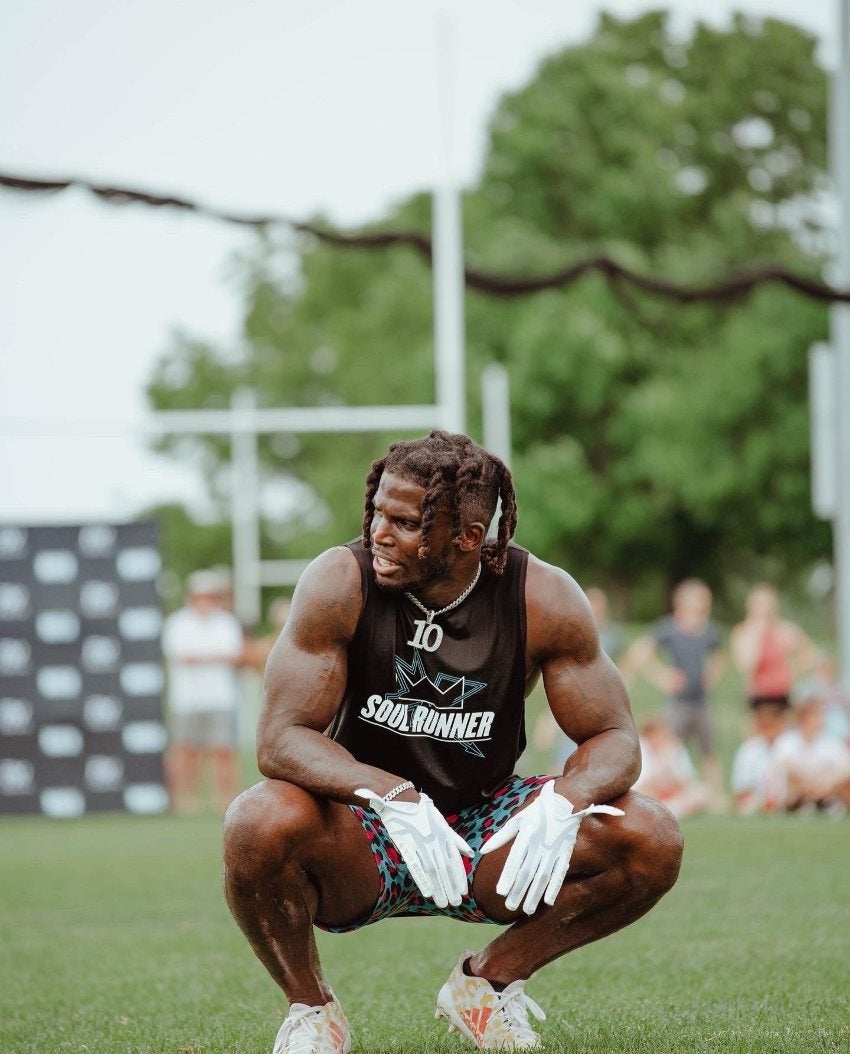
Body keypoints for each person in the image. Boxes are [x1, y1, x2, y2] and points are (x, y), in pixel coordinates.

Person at [222, 431, 683, 1053]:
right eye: (378, 511)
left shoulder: (541, 596)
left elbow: (615, 738)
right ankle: (312, 1013)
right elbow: (280, 739)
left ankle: (488, 984)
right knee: (256, 820)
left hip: (484, 821)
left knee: (650, 836)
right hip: (365, 823)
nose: (379, 532)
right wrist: (391, 794)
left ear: (467, 537)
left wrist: (564, 800)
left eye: (405, 523)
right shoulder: (339, 580)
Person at [623, 579, 726, 805]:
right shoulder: (668, 628)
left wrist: (712, 675)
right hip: (678, 704)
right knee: (668, 749)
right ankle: (657, 793)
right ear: (683, 601)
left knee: (709, 750)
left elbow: (719, 656)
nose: (704, 604)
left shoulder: (709, 630)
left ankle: (716, 797)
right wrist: (662, 676)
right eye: (700, 598)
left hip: (702, 701)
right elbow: (641, 652)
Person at [162, 568, 245, 814]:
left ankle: (225, 798)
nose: (207, 601)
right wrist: (216, 657)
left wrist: (204, 657)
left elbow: (235, 655)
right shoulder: (177, 623)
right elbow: (182, 656)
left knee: (224, 751)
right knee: (186, 751)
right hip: (188, 699)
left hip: (221, 698)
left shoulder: (227, 622)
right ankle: (185, 799)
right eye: (203, 596)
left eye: (211, 596)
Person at [532, 585, 625, 773]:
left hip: (602, 710)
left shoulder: (613, 637)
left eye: (599, 607)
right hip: (574, 706)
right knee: (561, 764)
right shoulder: (570, 635)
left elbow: (622, 670)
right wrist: (548, 717)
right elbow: (556, 674)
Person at [730, 583, 822, 713]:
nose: (764, 608)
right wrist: (758, 634)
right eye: (759, 604)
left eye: (767, 603)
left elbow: (813, 656)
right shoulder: (743, 632)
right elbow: (747, 665)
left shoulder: (787, 630)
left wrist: (796, 669)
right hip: (758, 699)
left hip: (785, 697)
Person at [633, 717, 709, 818]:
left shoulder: (675, 749)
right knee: (640, 796)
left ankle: (669, 810)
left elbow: (687, 781)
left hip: (674, 794)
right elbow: (641, 785)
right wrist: (662, 764)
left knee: (701, 793)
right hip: (650, 794)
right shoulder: (640, 750)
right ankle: (667, 810)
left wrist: (671, 766)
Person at [729, 700, 789, 815]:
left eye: (773, 724)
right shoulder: (749, 749)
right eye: (766, 725)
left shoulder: (789, 744)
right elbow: (741, 788)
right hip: (757, 801)